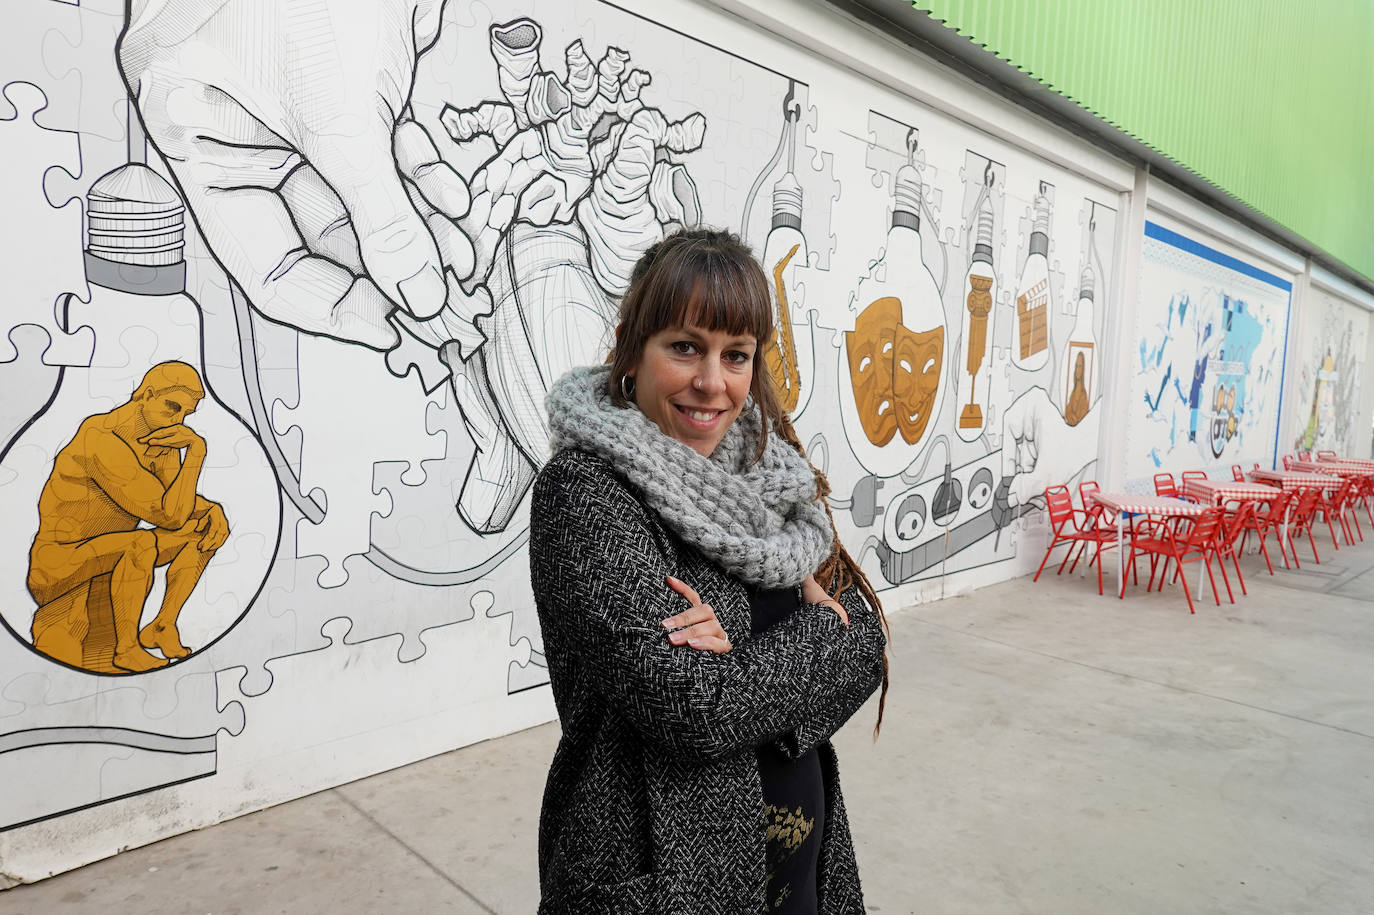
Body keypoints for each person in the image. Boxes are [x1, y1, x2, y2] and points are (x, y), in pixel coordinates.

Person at [529, 228, 889, 913]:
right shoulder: (585, 491)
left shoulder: (768, 471)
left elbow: (865, 646)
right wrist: (815, 627)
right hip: (662, 883)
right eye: (685, 346)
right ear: (632, 346)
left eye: (736, 355)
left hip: (800, 880)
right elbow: (692, 708)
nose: (712, 382)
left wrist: (745, 658)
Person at [27, 361, 230, 673]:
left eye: (185, 414)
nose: (177, 421)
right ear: (146, 395)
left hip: (108, 553)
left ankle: (163, 625)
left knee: (204, 530)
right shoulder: (99, 437)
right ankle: (127, 649)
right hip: (57, 565)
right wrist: (197, 451)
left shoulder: (161, 441)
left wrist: (212, 510)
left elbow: (177, 500)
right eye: (171, 408)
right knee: (141, 543)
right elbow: (170, 516)